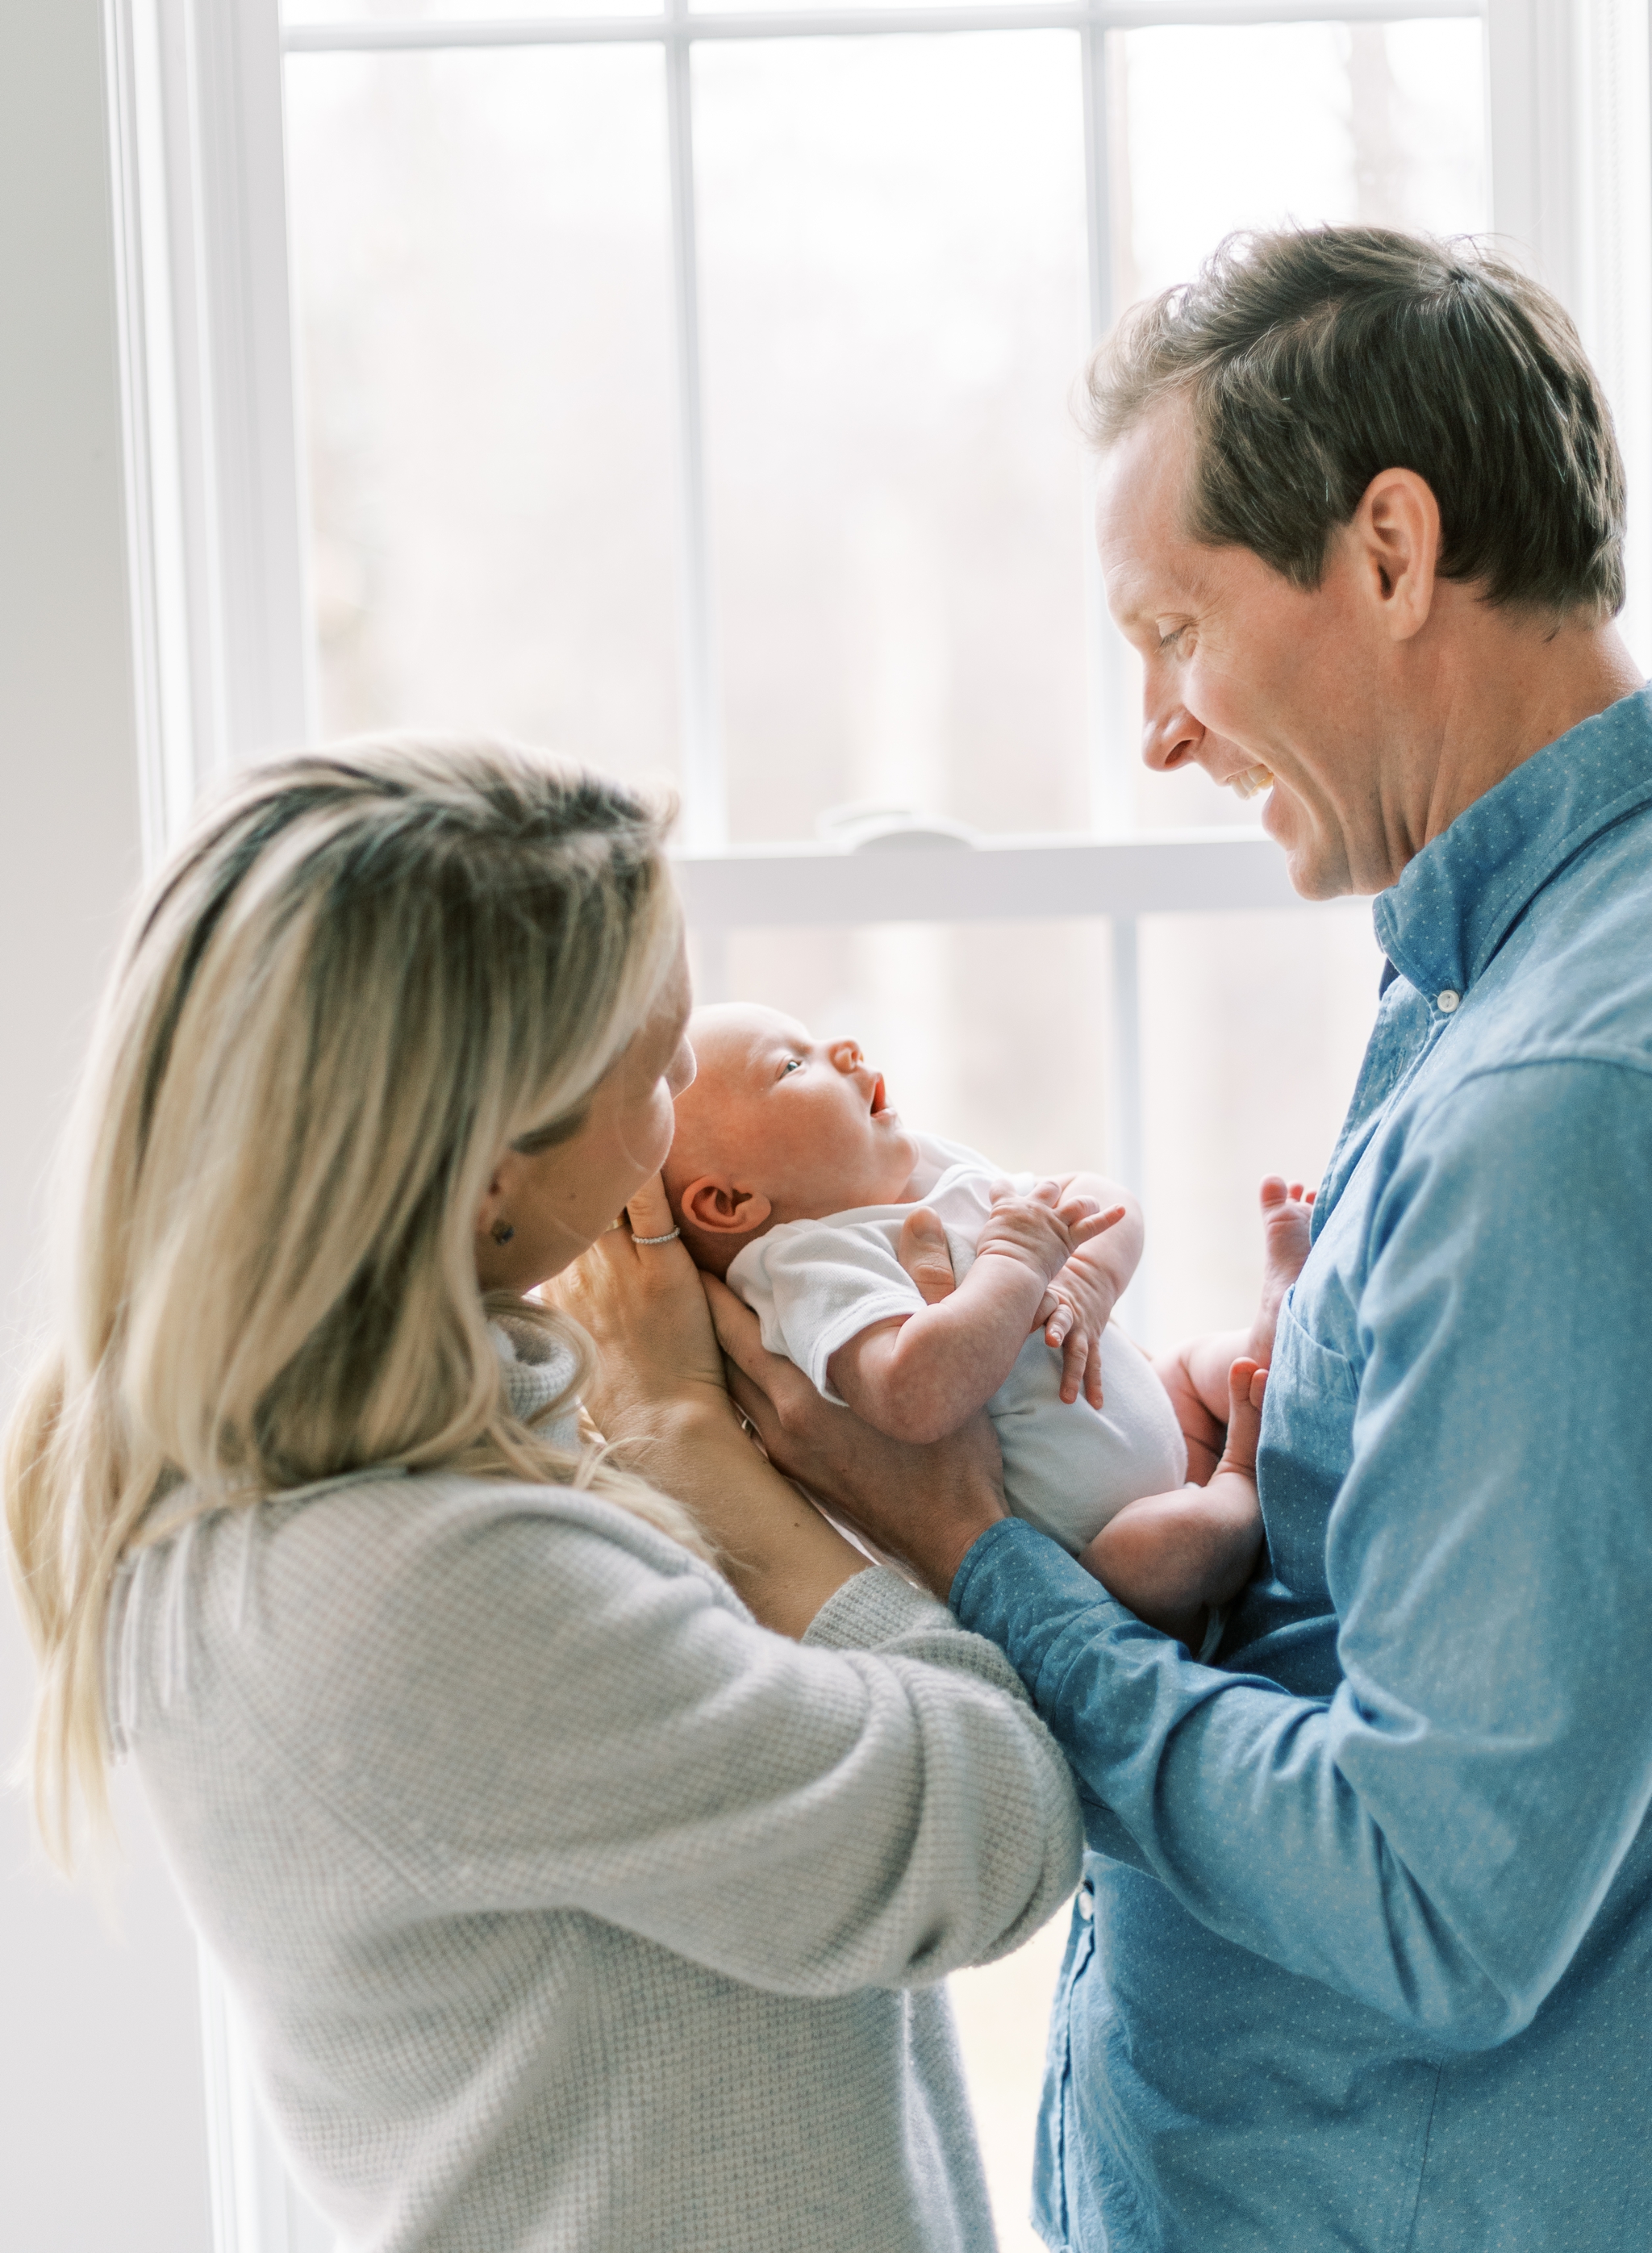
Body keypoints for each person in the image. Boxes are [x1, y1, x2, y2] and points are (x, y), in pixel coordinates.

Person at [707, 227, 1652, 2251]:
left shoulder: (1557, 1094)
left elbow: (1435, 1895)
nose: (1154, 730)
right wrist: (1300, 1463)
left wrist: (970, 1549)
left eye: (1173, 630)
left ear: (1389, 553)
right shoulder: (1493, 981)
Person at [1, 742, 1084, 2253]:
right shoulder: (417, 1586)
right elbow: (989, 1832)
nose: (676, 1103)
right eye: (653, 1073)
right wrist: (700, 1449)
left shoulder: (302, 1472)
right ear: (492, 1176)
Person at [665, 1001, 1299, 1646]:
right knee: (1167, 1548)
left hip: (1162, 1412)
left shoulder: (926, 1168)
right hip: (1110, 1559)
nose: (847, 1047)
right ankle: (1241, 1478)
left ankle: (1278, 1335)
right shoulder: (809, 1266)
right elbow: (910, 1395)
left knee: (1207, 1366)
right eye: (793, 1064)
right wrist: (1017, 1260)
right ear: (731, 1201)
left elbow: (1099, 1201)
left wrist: (1088, 1281)